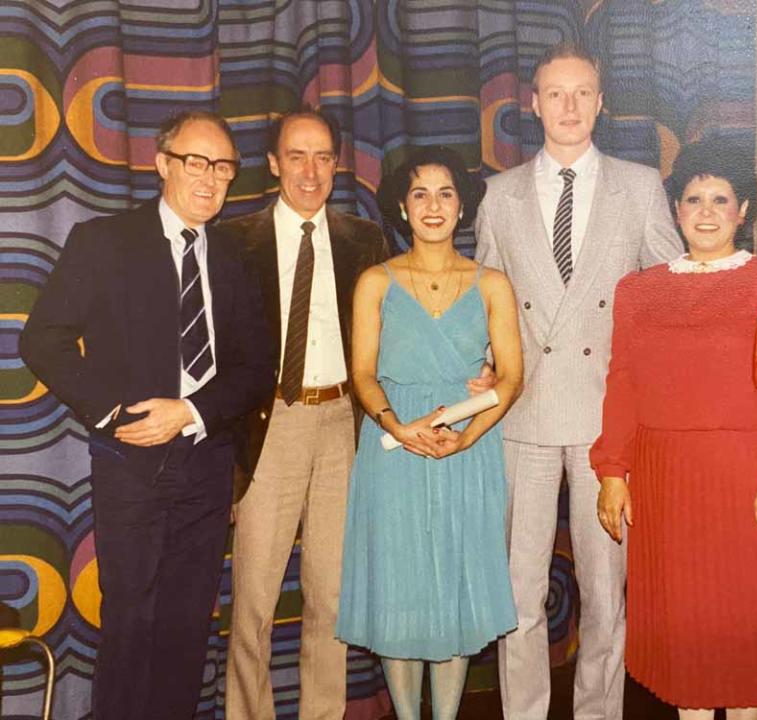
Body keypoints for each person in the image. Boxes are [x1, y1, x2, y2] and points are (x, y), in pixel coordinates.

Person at [18, 111, 275, 720]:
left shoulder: (236, 255)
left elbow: (255, 365)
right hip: (129, 461)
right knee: (131, 621)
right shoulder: (104, 242)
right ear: (162, 164)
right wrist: (114, 413)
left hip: (207, 463)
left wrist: (189, 410)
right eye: (195, 162)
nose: (210, 179)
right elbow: (42, 339)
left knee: (188, 624)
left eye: (223, 167)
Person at [474, 42, 683, 719]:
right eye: (554, 93)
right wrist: (479, 367)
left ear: (600, 102)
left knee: (605, 592)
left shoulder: (640, 185)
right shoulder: (498, 196)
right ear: (531, 105)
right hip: (523, 420)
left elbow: (675, 295)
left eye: (582, 92)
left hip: (607, 425)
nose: (568, 106)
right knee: (519, 591)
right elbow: (484, 301)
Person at [590, 138, 757, 719]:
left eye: (722, 199)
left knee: (745, 641)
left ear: (744, 211)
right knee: (685, 643)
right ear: (676, 210)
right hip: (665, 482)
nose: (708, 211)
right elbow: (622, 386)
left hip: (748, 480)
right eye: (694, 199)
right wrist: (612, 472)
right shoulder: (637, 292)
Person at [335, 145, 523, 720]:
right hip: (394, 449)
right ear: (401, 206)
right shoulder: (375, 282)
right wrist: (397, 425)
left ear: (462, 207)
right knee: (401, 589)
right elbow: (362, 373)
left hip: (467, 448)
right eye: (420, 194)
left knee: (453, 593)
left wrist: (466, 435)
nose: (433, 206)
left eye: (445, 193)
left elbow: (512, 377)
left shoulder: (492, 283)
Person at [224, 107, 388, 720]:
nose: (310, 170)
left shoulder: (364, 240)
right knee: (253, 605)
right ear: (273, 164)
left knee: (331, 600)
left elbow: (394, 333)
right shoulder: (234, 241)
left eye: (323, 156)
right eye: (296, 155)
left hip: (343, 425)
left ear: (337, 163)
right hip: (271, 428)